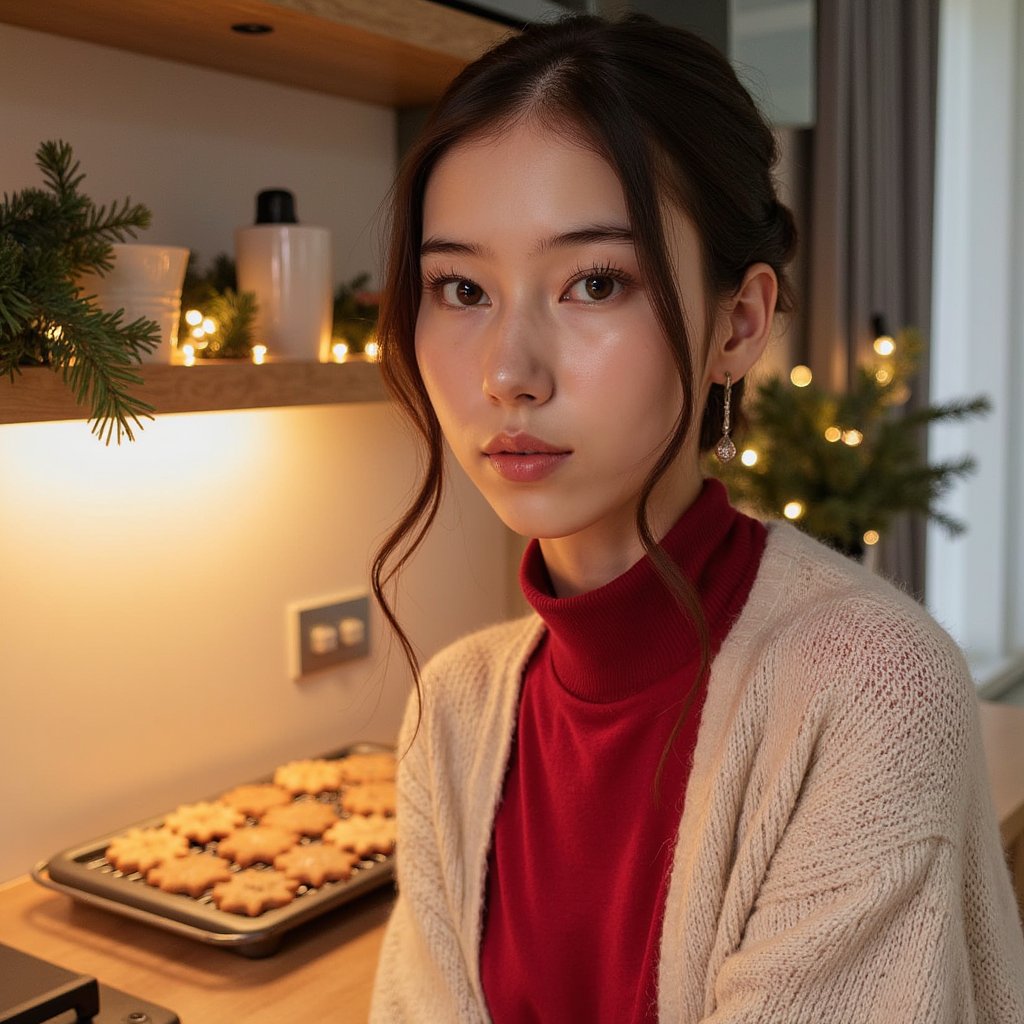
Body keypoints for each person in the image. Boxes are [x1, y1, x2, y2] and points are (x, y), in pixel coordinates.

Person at [367, 13, 1024, 1023]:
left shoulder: (870, 692)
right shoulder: (449, 712)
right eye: (461, 287)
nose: (507, 373)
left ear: (739, 322)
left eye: (595, 282)